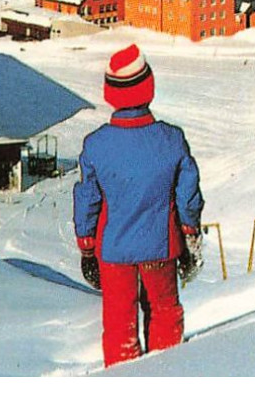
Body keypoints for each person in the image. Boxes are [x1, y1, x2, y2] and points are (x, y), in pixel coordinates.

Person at [73, 44, 204, 367]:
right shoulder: (172, 139)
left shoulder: (96, 144)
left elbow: (87, 199)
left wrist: (87, 245)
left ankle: (122, 378)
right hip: (161, 246)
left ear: (110, 93)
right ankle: (166, 373)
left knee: (120, 323)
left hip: (113, 250)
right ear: (149, 87)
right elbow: (188, 195)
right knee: (164, 312)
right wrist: (189, 231)